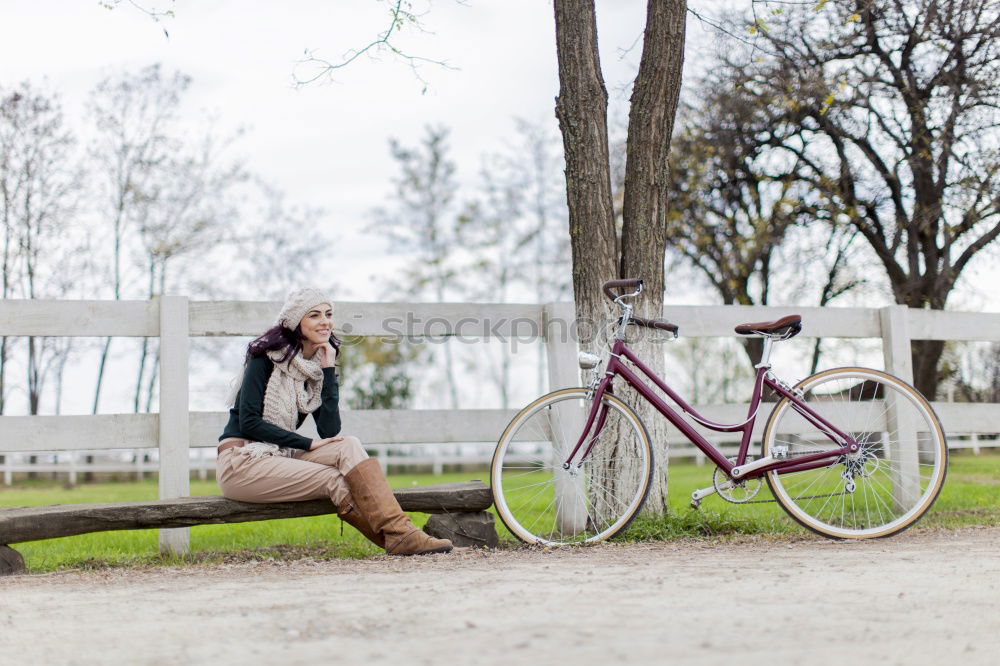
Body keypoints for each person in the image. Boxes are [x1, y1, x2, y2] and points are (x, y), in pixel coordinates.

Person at [216, 287, 453, 556]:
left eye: (328, 314)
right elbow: (249, 423)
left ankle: (402, 535)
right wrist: (309, 443)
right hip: (243, 463)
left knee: (348, 444)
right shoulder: (265, 359)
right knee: (333, 479)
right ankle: (401, 537)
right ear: (297, 322)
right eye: (315, 315)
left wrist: (328, 372)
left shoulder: (314, 366)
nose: (325, 321)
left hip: (281, 456)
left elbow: (330, 429)